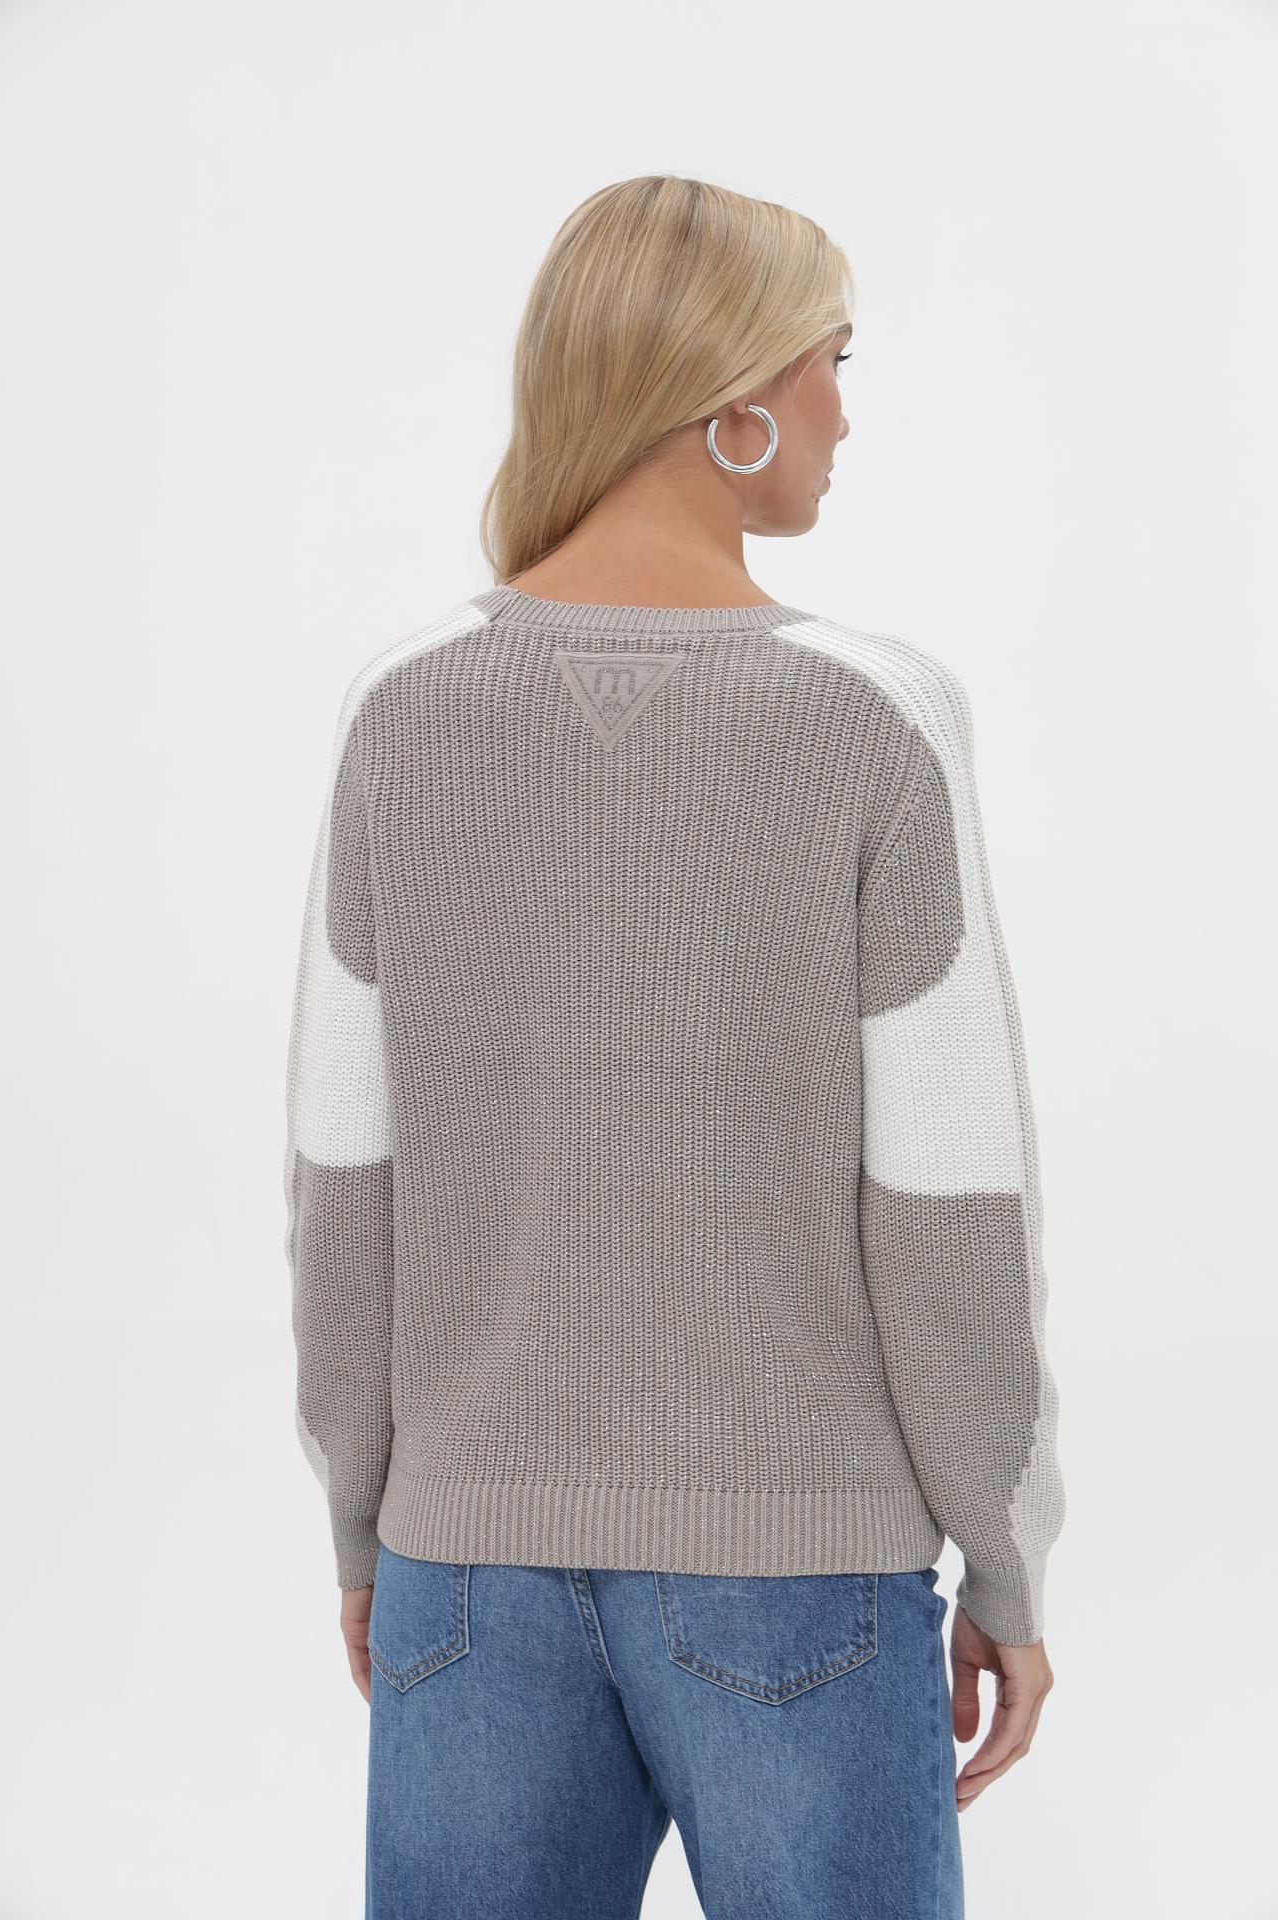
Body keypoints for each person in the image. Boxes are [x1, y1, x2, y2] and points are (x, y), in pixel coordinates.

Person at [283, 174, 1065, 1920]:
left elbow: (344, 1183)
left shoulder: (400, 706)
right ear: (732, 402)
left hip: (463, 1564)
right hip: (798, 1573)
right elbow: (949, 1209)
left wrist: (368, 1516)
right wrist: (1006, 1561)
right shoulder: (874, 714)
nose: (847, 412)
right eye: (834, 361)